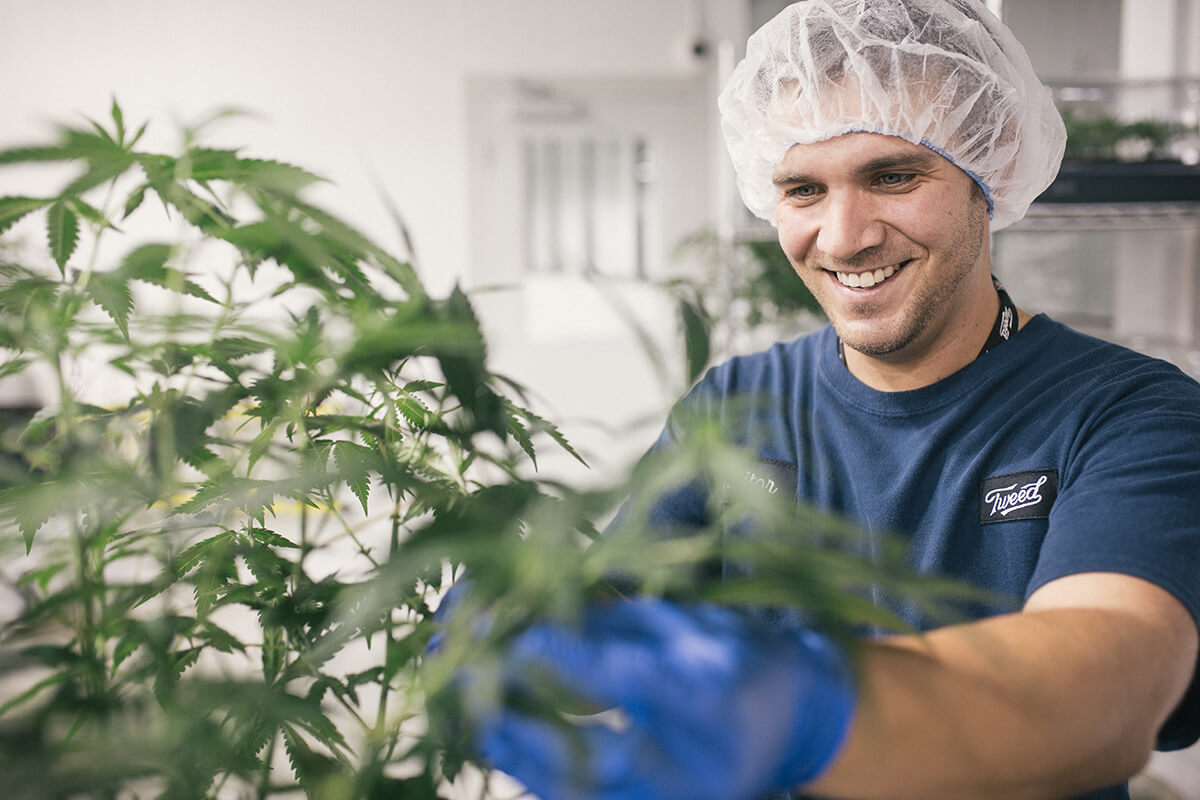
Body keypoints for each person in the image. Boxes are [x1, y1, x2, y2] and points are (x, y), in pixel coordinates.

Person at [450, 2, 1200, 798]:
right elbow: (620, 610)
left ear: (993, 163)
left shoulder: (1129, 414)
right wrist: (527, 612)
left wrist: (804, 713)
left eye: (894, 176)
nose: (843, 237)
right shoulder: (738, 405)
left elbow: (1105, 686)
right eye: (803, 189)